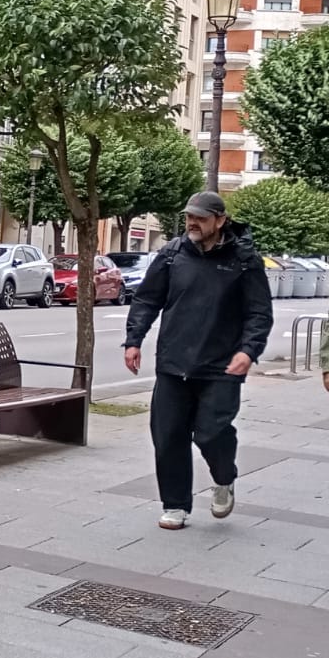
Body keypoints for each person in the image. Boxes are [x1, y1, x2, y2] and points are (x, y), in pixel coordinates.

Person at [124, 191, 273, 531]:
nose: (192, 222)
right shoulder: (173, 254)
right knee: (168, 436)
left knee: (210, 432)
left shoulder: (244, 259)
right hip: (174, 363)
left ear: (220, 220)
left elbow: (259, 313)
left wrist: (248, 351)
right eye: (190, 216)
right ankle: (175, 504)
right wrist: (134, 340)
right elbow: (147, 299)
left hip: (222, 365)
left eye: (201, 218)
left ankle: (224, 477)